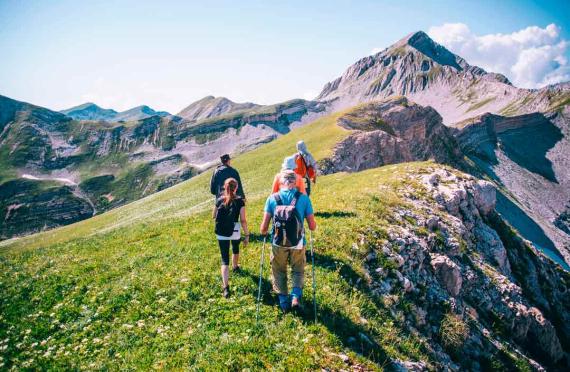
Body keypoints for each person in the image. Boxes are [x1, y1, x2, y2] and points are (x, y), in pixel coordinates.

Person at [260, 170, 316, 313]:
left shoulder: (272, 198)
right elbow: (312, 226)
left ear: (280, 182)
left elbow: (263, 228)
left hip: (278, 242)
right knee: (298, 269)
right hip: (297, 242)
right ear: (296, 182)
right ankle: (295, 297)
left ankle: (284, 302)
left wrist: (267, 231)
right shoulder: (303, 198)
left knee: (279, 270)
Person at [213, 178, 249, 298]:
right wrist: (247, 235)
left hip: (221, 231)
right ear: (236, 187)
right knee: (235, 248)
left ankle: (226, 287)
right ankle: (235, 266)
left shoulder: (219, 200)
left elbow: (214, 216)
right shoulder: (240, 201)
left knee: (224, 258)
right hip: (234, 229)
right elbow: (243, 220)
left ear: (225, 187)